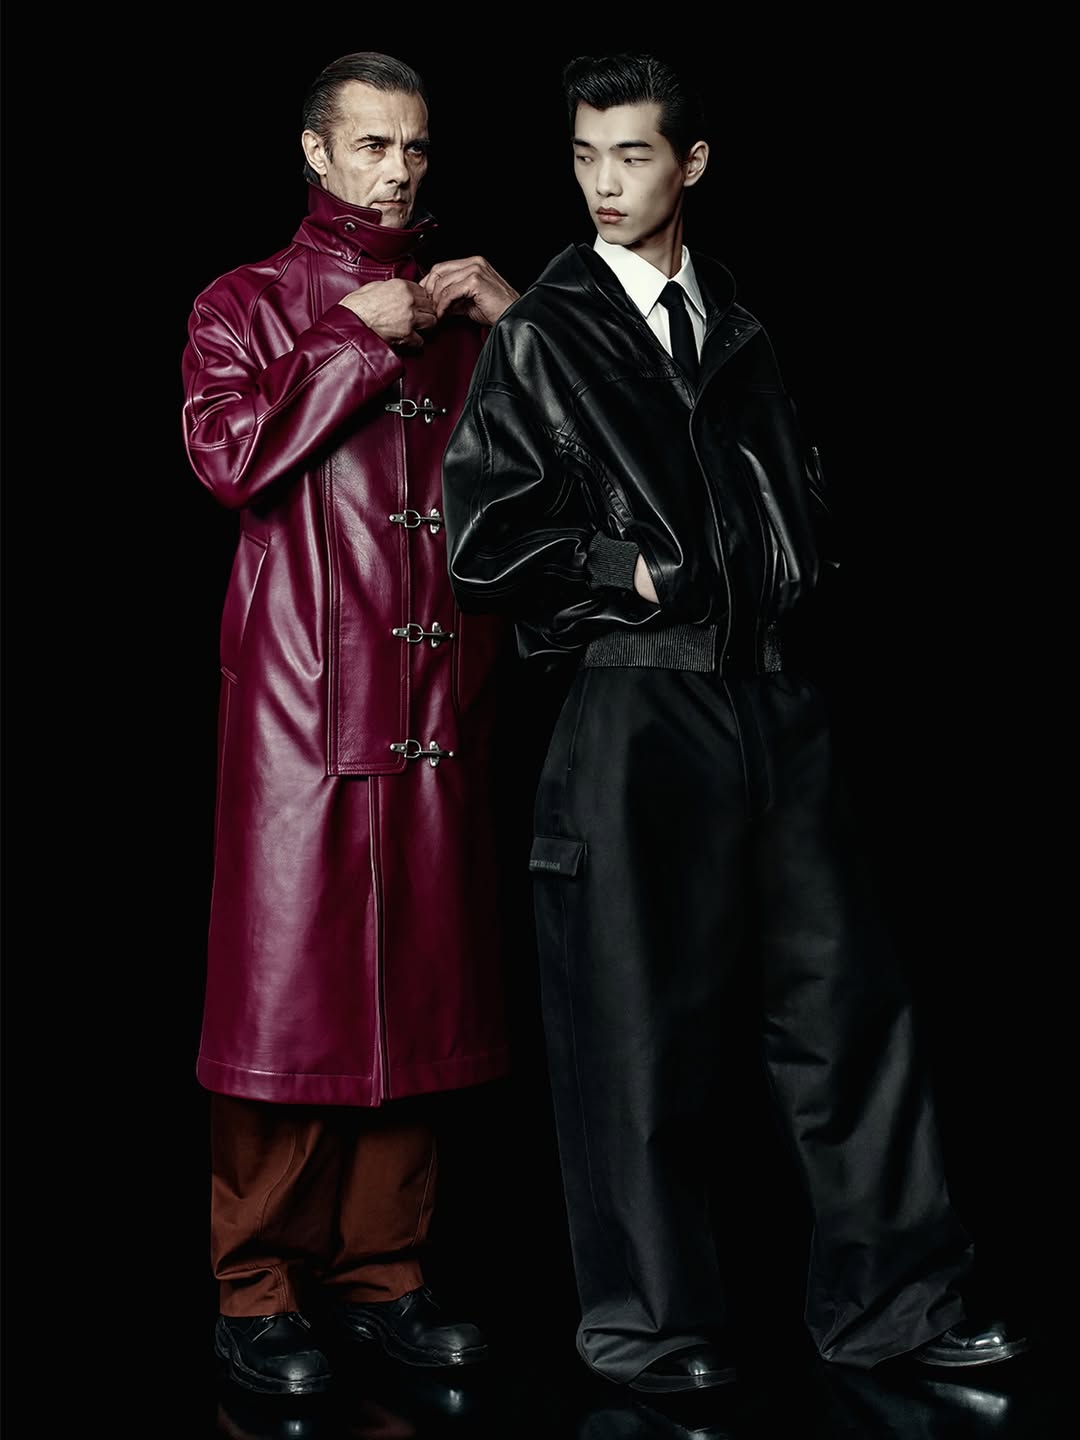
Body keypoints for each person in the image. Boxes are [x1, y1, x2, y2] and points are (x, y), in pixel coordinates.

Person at [441, 51, 1032, 1395]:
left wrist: (798, 564)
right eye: (584, 156)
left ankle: (897, 1308)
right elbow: (482, 544)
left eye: (632, 155)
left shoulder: (744, 331)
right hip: (633, 702)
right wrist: (626, 571)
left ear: (691, 164)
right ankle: (649, 1332)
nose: (603, 184)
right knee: (634, 1026)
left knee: (847, 1009)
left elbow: (796, 505)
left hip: (775, 697)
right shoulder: (546, 332)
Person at [180, 50, 521, 1398]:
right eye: (372, 145)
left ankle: (387, 1275)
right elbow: (229, 458)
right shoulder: (244, 301)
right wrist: (354, 336)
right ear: (317, 154)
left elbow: (577, 471)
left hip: (438, 700)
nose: (398, 171)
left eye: (416, 147)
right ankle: (256, 1290)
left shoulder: (471, 308)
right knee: (288, 999)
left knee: (419, 990)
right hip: (298, 703)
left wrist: (527, 329)